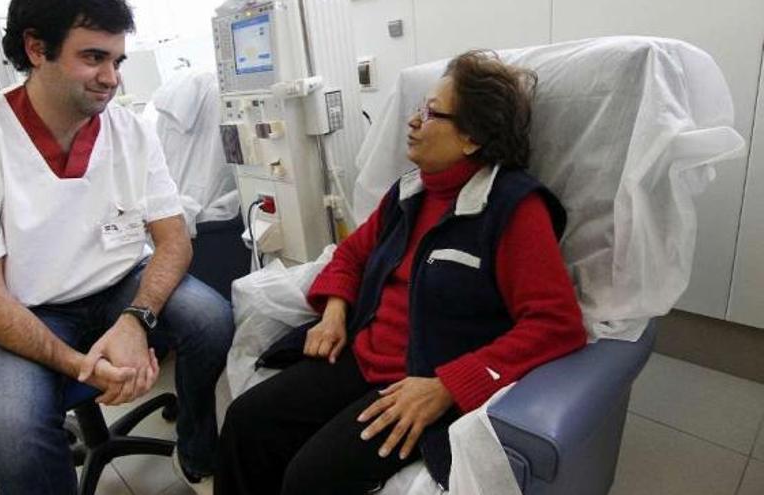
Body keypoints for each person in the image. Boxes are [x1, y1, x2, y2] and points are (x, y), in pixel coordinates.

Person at [215, 50, 588, 494]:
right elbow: (351, 254)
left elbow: (557, 324)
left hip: (421, 378)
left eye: (431, 113)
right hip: (362, 353)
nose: (413, 121)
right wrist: (335, 311)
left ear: (471, 138)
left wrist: (449, 387)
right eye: (418, 108)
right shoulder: (410, 192)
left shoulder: (513, 209)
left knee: (308, 479)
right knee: (246, 422)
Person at [0, 1, 232, 494]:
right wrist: (82, 365)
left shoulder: (131, 131)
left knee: (212, 320)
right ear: (35, 48)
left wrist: (138, 318)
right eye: (93, 58)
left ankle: (196, 455)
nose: (111, 78)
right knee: (14, 431)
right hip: (23, 306)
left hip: (118, 285)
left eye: (117, 61)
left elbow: (172, 239)